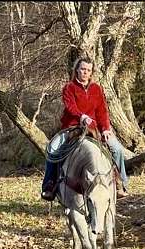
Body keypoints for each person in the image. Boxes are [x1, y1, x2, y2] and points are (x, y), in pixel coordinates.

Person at [41, 57, 129, 201]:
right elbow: (70, 107)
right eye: (82, 69)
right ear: (77, 70)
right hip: (72, 127)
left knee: (117, 149)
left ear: (91, 72)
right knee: (53, 150)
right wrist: (81, 116)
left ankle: (120, 184)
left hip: (93, 129)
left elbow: (102, 111)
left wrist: (105, 128)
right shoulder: (69, 87)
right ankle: (49, 185)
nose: (85, 72)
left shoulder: (96, 89)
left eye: (88, 70)